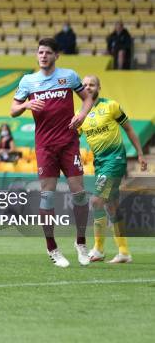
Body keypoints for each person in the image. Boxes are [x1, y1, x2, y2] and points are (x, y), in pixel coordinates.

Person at [11, 37, 94, 268]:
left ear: (56, 55)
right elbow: (13, 110)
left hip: (69, 143)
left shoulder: (69, 76)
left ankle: (81, 244)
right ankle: (52, 248)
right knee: (47, 196)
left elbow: (87, 98)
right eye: (40, 52)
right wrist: (26, 105)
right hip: (45, 146)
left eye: (47, 52)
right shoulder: (28, 81)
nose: (43, 56)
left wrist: (82, 115)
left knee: (79, 194)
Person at [79, 75, 148, 264]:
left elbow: (129, 129)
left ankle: (98, 249)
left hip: (115, 159)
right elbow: (71, 140)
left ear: (99, 87)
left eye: (91, 84)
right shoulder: (80, 114)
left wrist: (140, 153)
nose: (88, 87)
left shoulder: (111, 106)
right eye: (84, 85)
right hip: (99, 163)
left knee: (96, 201)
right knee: (111, 205)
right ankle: (124, 252)